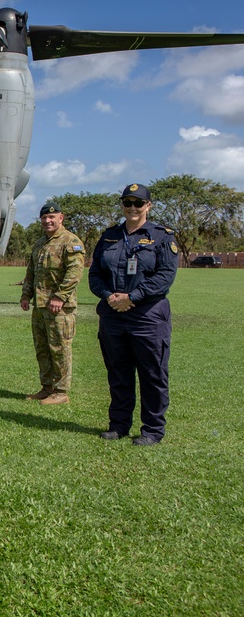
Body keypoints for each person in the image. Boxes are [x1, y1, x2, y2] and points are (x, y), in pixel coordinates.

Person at [89, 184, 179, 446]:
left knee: (153, 375)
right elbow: (95, 274)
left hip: (148, 317)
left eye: (138, 203)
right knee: (118, 372)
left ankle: (152, 430)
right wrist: (109, 296)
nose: (132, 207)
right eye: (127, 202)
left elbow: (165, 277)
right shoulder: (110, 236)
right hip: (113, 315)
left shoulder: (162, 237)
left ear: (148, 206)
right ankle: (119, 425)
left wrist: (132, 297)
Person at [20, 202, 86, 406]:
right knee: (42, 348)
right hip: (39, 306)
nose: (48, 221)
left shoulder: (71, 241)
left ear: (61, 218)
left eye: (52, 217)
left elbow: (74, 273)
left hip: (60, 307)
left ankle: (61, 391)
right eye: (44, 218)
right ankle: (47, 387)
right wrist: (25, 295)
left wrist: (60, 297)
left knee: (60, 348)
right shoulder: (40, 243)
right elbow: (31, 272)